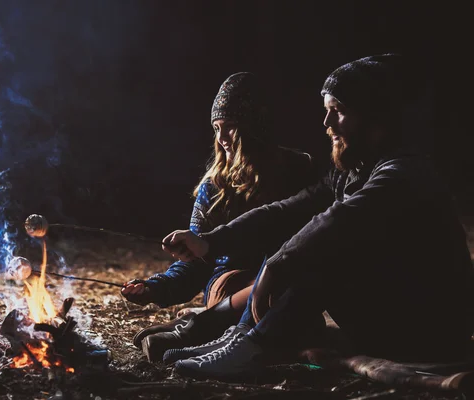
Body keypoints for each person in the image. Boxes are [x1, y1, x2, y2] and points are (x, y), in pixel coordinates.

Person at [161, 54, 474, 380]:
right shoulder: (354, 171)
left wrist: (276, 265)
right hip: (398, 316)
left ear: (373, 117)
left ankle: (250, 347)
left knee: (322, 249)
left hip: (432, 331)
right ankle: (241, 339)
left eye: (337, 111)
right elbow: (287, 210)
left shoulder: (403, 171)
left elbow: (339, 221)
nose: (326, 123)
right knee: (297, 235)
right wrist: (210, 241)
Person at [121, 72, 318, 361]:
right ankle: (200, 327)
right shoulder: (215, 186)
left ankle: (200, 325)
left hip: (283, 277)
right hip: (230, 284)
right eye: (216, 128)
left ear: (254, 127)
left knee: (288, 288)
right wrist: (155, 287)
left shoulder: (298, 170)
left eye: (231, 127)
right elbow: (195, 262)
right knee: (275, 301)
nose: (222, 138)